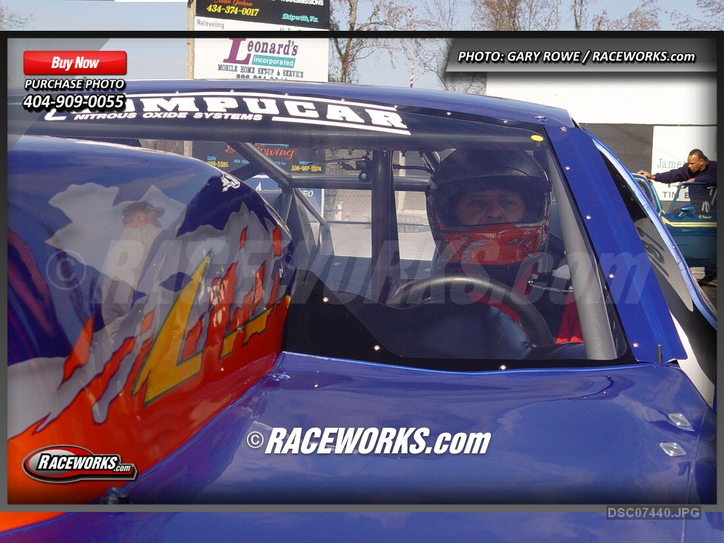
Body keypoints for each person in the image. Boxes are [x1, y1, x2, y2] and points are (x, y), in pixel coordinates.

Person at [426, 148, 582, 344]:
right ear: (452, 214)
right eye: (477, 202)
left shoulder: (570, 301)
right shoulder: (421, 301)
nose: (494, 212)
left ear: (529, 210)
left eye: (507, 202)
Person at [637, 149, 717, 286]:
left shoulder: (714, 168)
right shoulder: (689, 170)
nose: (690, 166)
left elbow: (714, 178)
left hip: (714, 213)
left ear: (702, 161)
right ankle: (707, 276)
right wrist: (653, 176)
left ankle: (712, 275)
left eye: (692, 163)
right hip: (698, 211)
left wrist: (695, 180)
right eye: (688, 163)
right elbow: (673, 175)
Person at [101, 201, 165, 335]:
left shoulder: (112, 257)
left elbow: (109, 314)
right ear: (140, 217)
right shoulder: (148, 232)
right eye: (153, 217)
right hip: (163, 325)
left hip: (139, 338)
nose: (157, 223)